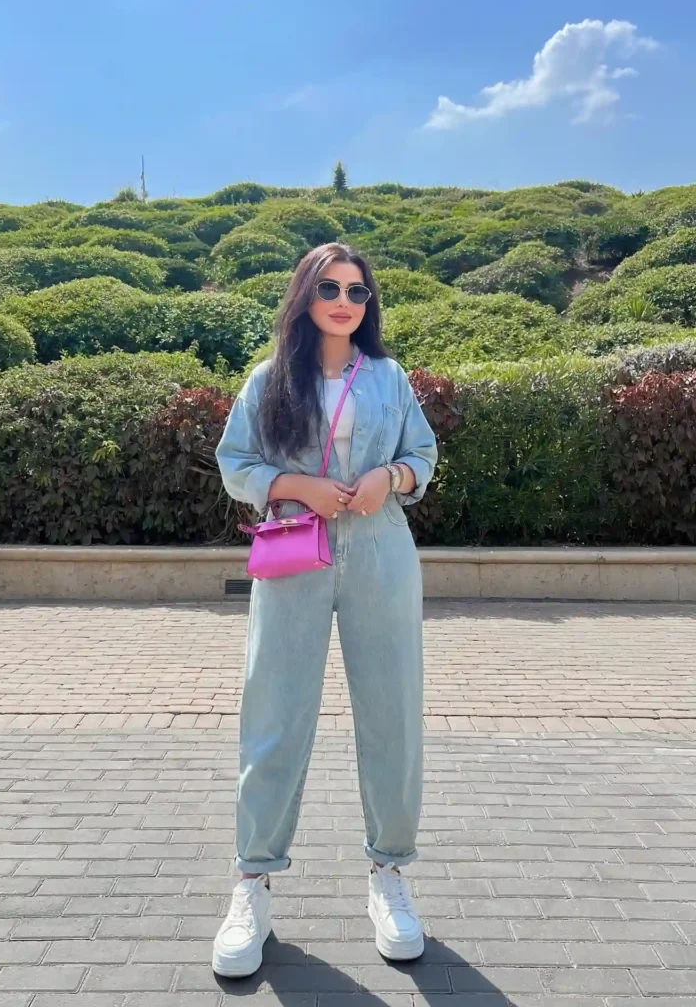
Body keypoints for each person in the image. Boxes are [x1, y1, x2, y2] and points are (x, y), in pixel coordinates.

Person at [213, 242, 438, 978]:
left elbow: (424, 456)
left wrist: (390, 475)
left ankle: (389, 873)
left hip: (380, 550)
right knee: (274, 714)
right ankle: (253, 881)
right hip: (293, 554)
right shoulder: (270, 379)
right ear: (305, 295)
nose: (344, 301)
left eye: (357, 290)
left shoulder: (389, 377)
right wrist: (294, 485)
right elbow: (235, 463)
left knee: (392, 713)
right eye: (330, 287)